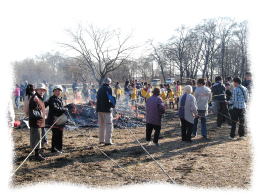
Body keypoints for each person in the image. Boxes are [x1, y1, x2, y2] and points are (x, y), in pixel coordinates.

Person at [45, 85, 68, 154]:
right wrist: (64, 109)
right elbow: (55, 108)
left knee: (60, 134)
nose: (57, 92)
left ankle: (59, 148)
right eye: (56, 91)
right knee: (55, 135)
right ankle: (54, 150)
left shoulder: (60, 98)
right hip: (54, 120)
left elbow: (60, 108)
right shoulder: (52, 99)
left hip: (60, 120)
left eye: (59, 91)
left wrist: (65, 108)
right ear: (53, 92)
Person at [28, 83, 47, 161]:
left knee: (39, 138)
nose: (42, 91)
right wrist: (42, 115)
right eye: (40, 89)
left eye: (43, 90)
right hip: (35, 121)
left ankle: (39, 152)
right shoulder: (35, 98)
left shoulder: (40, 97)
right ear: (37, 90)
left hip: (39, 121)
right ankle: (37, 155)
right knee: (36, 138)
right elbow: (34, 111)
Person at [96, 78, 115, 145]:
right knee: (109, 125)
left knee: (101, 125)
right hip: (106, 110)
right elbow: (110, 98)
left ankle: (101, 140)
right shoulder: (108, 88)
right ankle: (108, 141)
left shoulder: (99, 89)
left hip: (99, 109)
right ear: (109, 82)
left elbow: (97, 98)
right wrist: (112, 105)